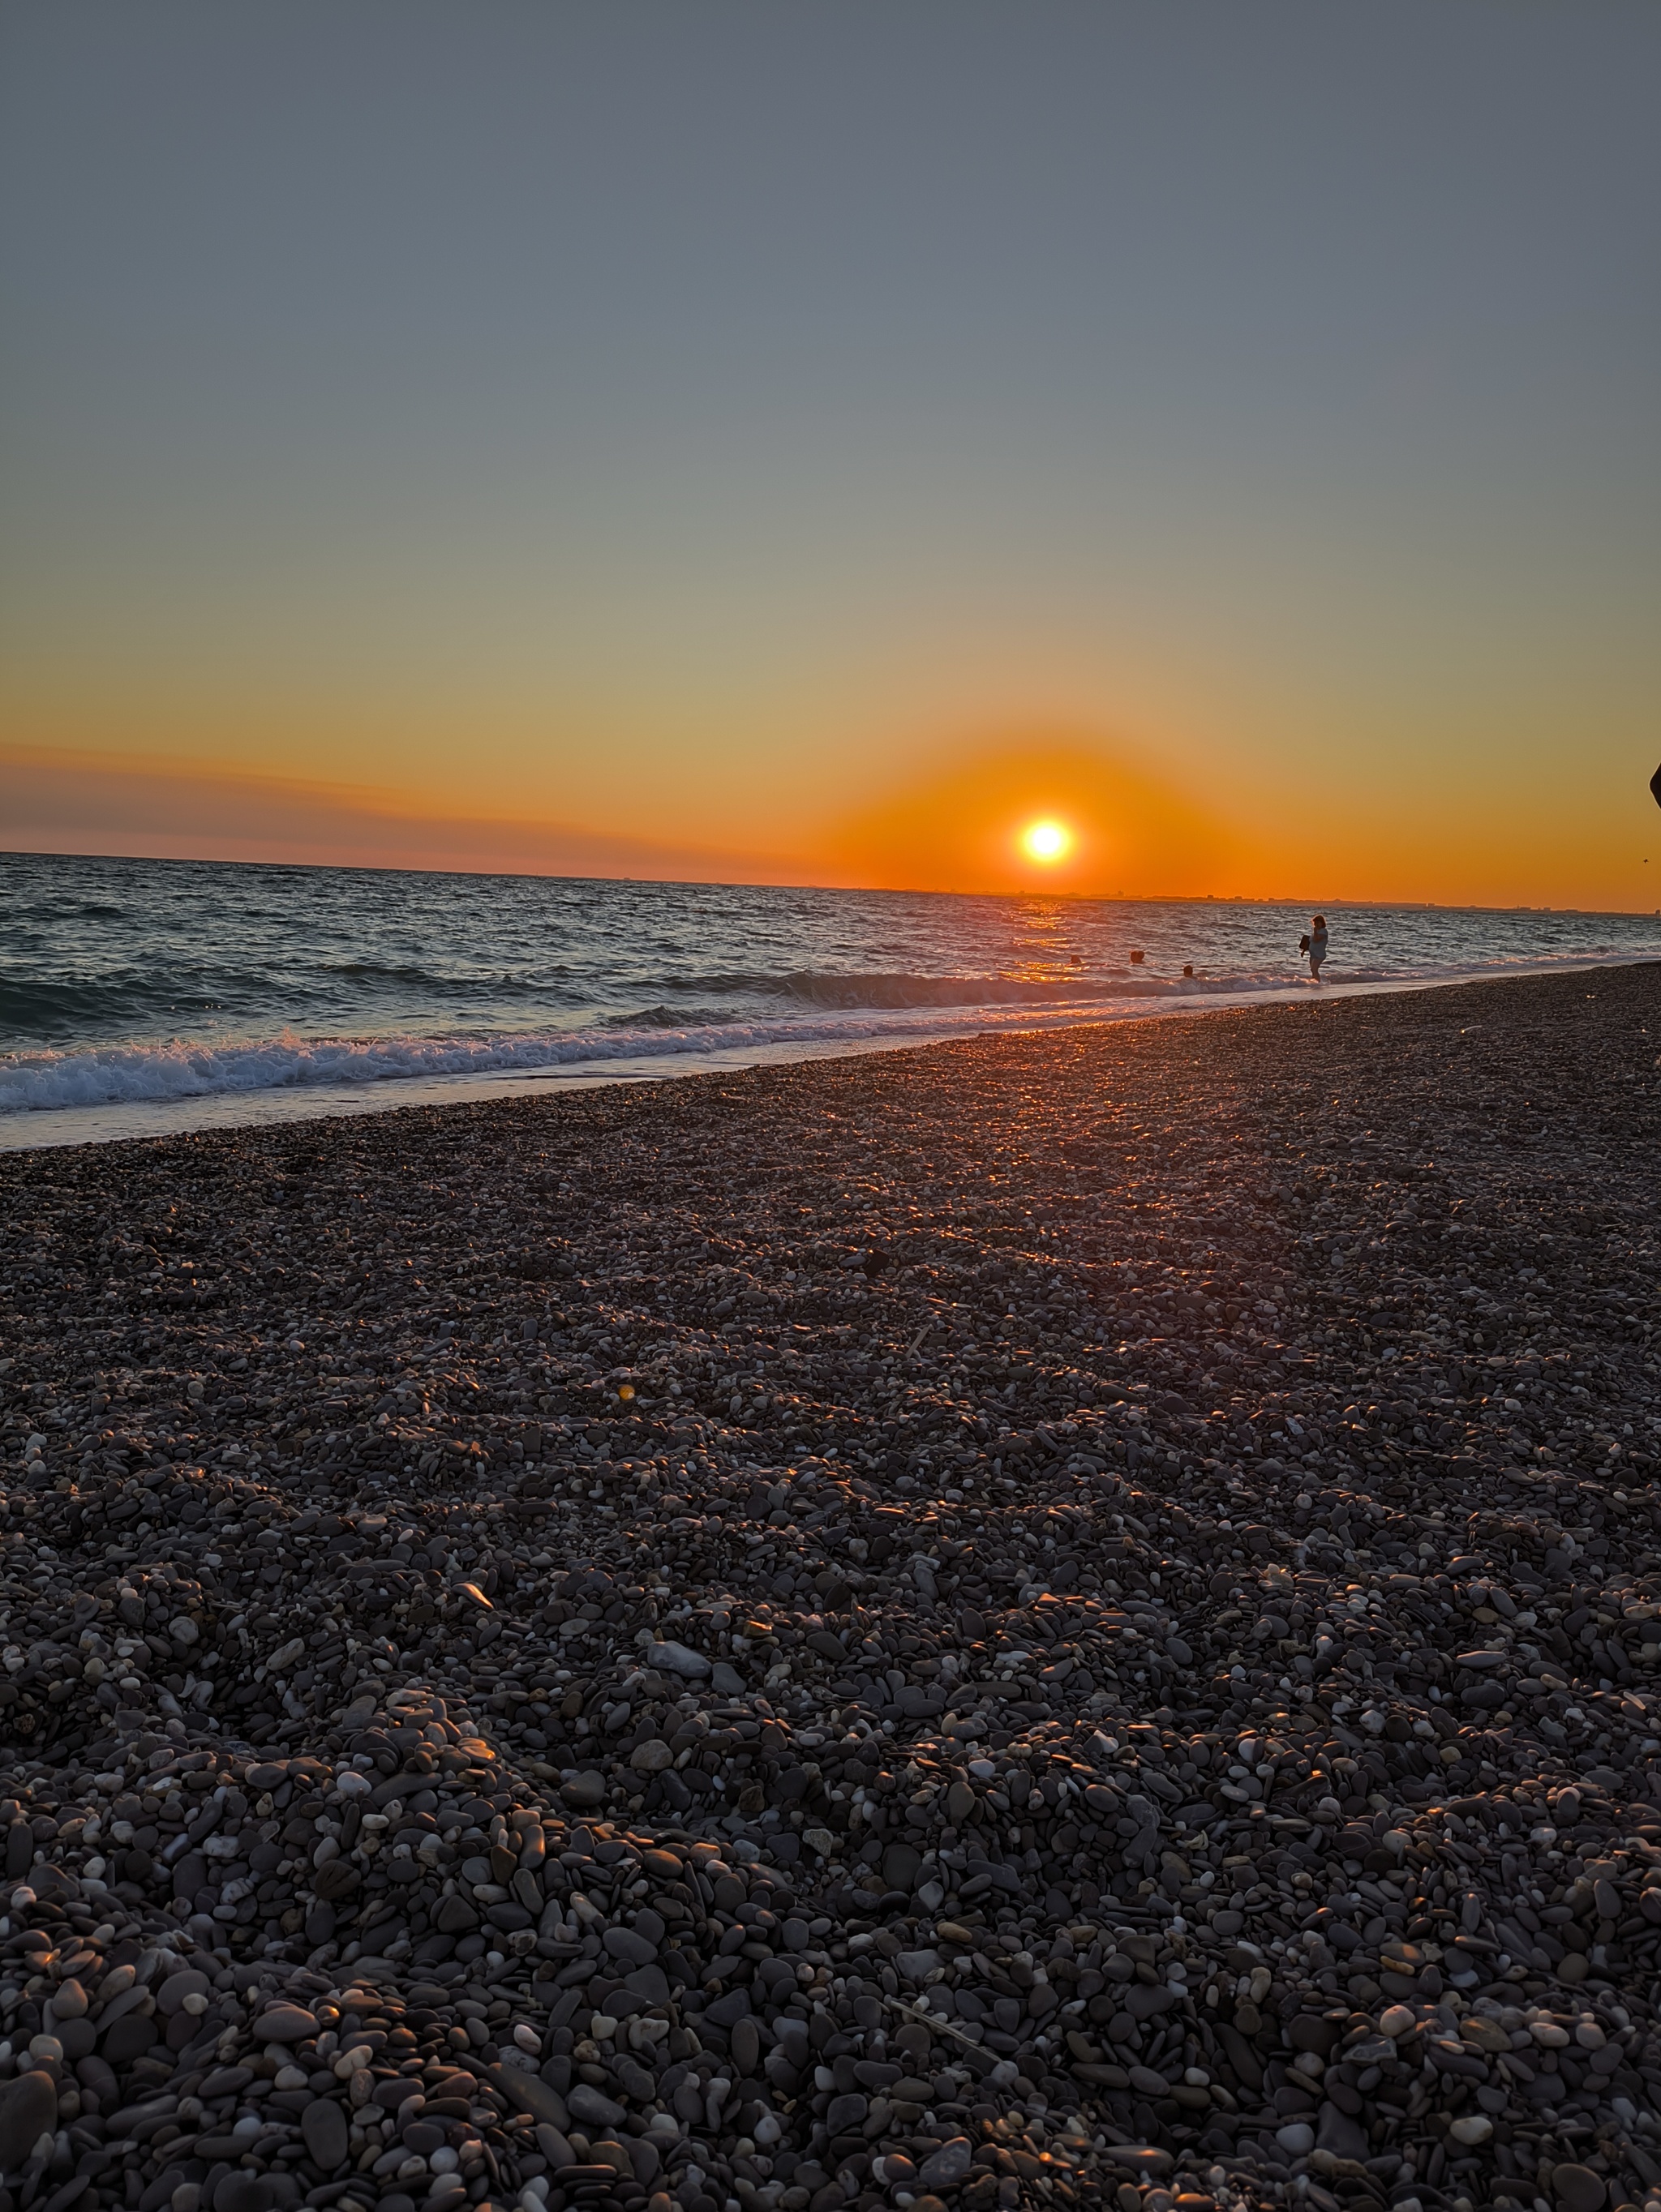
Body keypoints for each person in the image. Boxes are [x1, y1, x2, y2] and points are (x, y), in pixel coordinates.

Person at [1301, 915, 1328, 982]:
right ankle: (1314, 981)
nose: (1316, 924)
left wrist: (1315, 931)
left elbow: (1316, 940)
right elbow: (1310, 942)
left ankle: (1317, 983)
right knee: (1312, 970)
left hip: (1319, 954)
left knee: (1314, 969)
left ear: (1322, 923)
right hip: (1313, 954)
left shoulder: (1323, 931)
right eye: (1315, 923)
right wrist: (1304, 950)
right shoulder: (1315, 932)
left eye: (1318, 923)